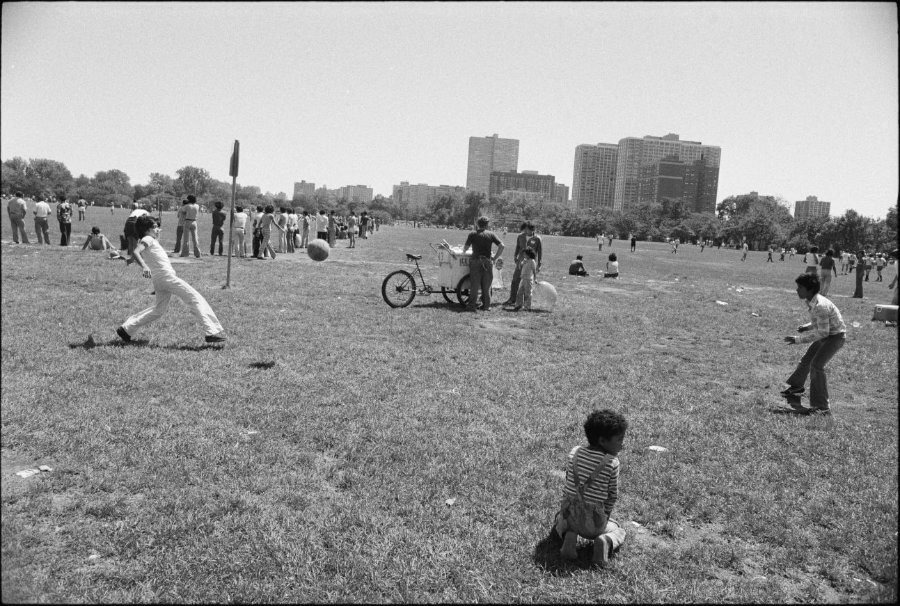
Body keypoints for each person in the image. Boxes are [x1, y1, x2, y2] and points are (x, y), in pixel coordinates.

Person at [117, 215, 225, 345]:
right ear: (146, 229)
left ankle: (126, 329)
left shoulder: (149, 239)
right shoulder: (148, 238)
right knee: (194, 298)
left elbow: (137, 253)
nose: (158, 229)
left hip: (160, 280)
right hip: (166, 277)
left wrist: (131, 260)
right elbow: (136, 251)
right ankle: (211, 332)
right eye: (155, 227)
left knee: (158, 310)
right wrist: (144, 266)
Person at [552, 409, 628, 565]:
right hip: (594, 523)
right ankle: (605, 540)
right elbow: (612, 495)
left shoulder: (574, 452)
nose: (622, 444)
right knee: (618, 529)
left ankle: (570, 535)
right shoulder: (612, 462)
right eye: (619, 439)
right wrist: (604, 517)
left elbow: (569, 482)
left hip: (569, 516)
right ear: (602, 441)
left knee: (558, 518)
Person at [781, 273, 846, 415]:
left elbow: (823, 333)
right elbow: (820, 321)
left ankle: (822, 407)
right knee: (806, 360)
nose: (797, 290)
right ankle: (796, 387)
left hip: (835, 337)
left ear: (809, 290)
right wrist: (807, 326)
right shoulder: (813, 301)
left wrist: (798, 339)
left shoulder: (820, 305)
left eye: (800, 287)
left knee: (817, 365)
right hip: (828, 334)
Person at [461, 216, 504, 312]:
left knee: (475, 285)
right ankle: (486, 306)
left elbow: (466, 248)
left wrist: (464, 251)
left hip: (476, 260)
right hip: (487, 261)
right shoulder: (491, 234)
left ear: (477, 224)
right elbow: (502, 246)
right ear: (487, 225)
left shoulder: (472, 234)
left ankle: (472, 305)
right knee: (487, 285)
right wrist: (495, 257)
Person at [504, 222, 543, 307]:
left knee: (527, 283)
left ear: (532, 230)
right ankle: (512, 299)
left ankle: (526, 302)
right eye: (525, 229)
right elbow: (518, 247)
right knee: (515, 280)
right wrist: (515, 256)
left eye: (528, 229)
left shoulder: (537, 239)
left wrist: (539, 264)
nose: (526, 231)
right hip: (520, 262)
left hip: (530, 264)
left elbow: (539, 252)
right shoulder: (520, 236)